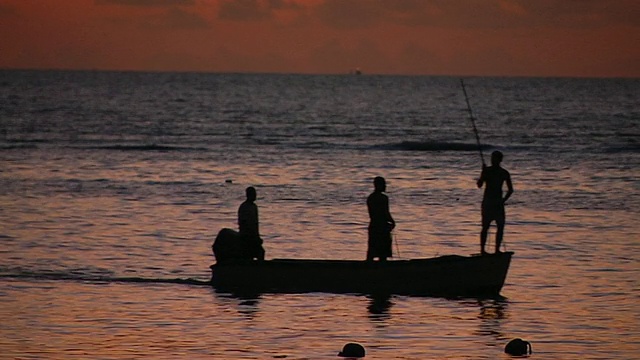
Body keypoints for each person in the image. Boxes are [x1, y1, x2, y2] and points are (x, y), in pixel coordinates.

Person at [477, 151, 513, 254]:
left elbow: (510, 190)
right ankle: (483, 250)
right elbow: (479, 185)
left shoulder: (503, 173)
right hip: (490, 203)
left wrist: (503, 200)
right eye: (492, 158)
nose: (493, 160)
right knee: (486, 227)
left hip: (494, 203)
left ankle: (496, 250)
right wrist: (482, 173)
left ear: (500, 160)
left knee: (499, 227)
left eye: (495, 158)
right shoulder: (489, 171)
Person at [367, 176, 395, 261]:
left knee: (372, 250)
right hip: (382, 227)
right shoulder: (383, 198)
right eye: (383, 184)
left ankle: (368, 269)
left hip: (373, 226)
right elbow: (385, 213)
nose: (385, 186)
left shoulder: (370, 197)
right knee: (383, 253)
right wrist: (393, 222)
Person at [238, 186, 265, 260]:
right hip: (247, 236)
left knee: (260, 253)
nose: (255, 196)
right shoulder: (244, 207)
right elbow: (245, 223)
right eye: (253, 194)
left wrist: (257, 236)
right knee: (253, 254)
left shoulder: (254, 207)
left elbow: (256, 223)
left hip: (253, 235)